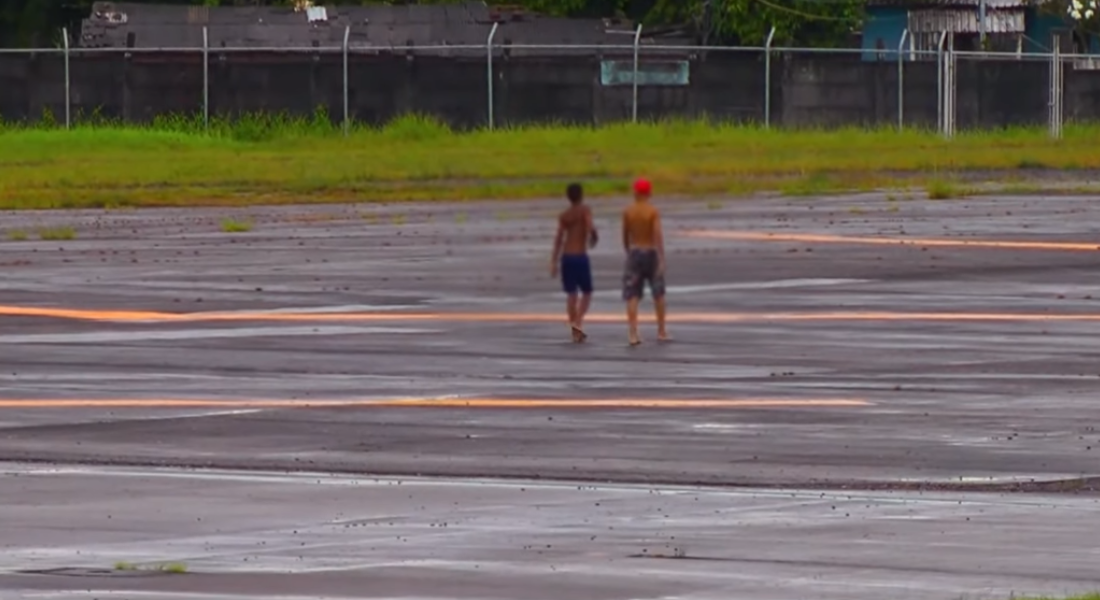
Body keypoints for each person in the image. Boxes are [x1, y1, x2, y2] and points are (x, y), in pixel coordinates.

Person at [621, 177, 667, 346]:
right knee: (658, 293)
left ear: (635, 192)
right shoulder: (652, 211)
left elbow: (625, 235)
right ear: (649, 193)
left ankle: (633, 332)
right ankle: (661, 330)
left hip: (635, 252)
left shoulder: (628, 211)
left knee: (632, 294)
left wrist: (628, 251)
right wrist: (661, 257)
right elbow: (657, 235)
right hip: (651, 252)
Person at [550, 182, 598, 342]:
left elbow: (559, 238)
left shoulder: (564, 215)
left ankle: (574, 329)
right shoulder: (585, 210)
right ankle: (578, 322)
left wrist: (554, 260)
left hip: (566, 257)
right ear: (581, 195)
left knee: (571, 294)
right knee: (587, 292)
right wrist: (594, 236)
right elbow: (590, 226)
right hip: (580, 256)